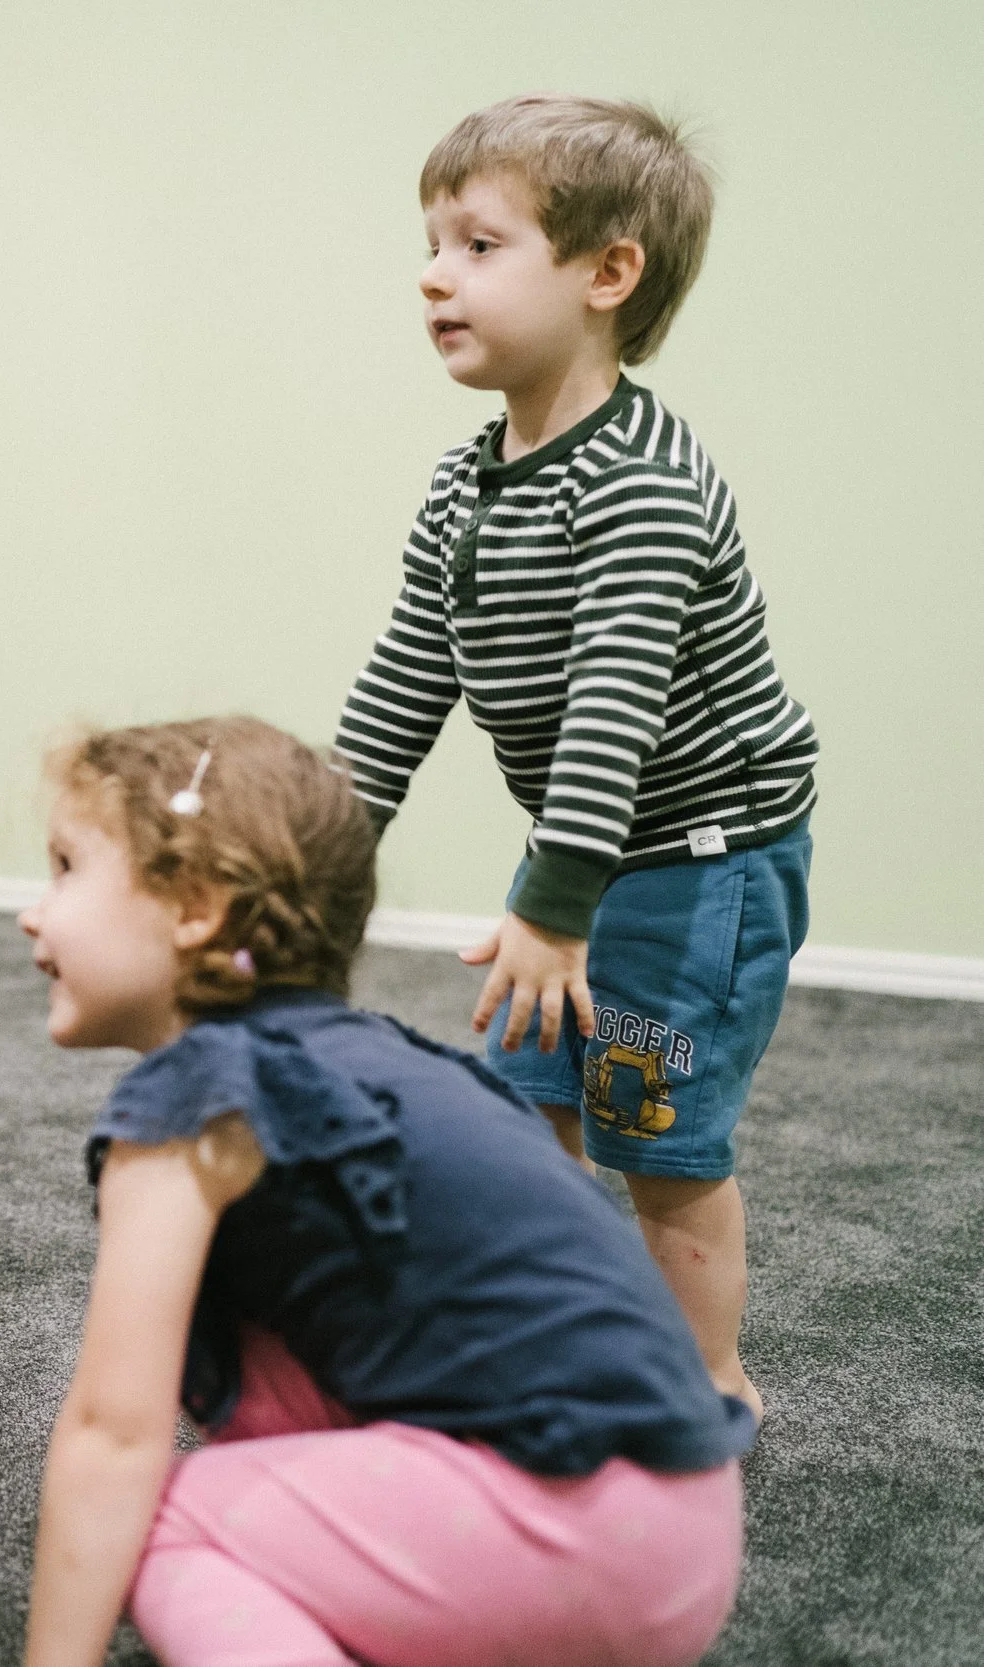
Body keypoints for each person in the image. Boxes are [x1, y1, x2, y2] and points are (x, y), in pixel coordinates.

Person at [19, 718, 752, 1667]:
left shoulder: (200, 1092)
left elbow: (114, 1430)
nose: (34, 913)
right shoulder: (392, 1065)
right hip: (687, 1529)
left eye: (67, 868)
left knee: (166, 1519)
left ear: (195, 906)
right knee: (262, 1394)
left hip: (562, 1525)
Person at [333, 95, 815, 1415]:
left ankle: (704, 1381)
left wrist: (552, 913)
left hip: (700, 857)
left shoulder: (642, 479)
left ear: (607, 274)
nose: (434, 271)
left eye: (479, 244)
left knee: (656, 1132)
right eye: (432, 242)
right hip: (589, 847)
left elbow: (613, 708)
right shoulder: (464, 480)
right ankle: (545, 1329)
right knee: (528, 1108)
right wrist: (313, 858)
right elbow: (404, 681)